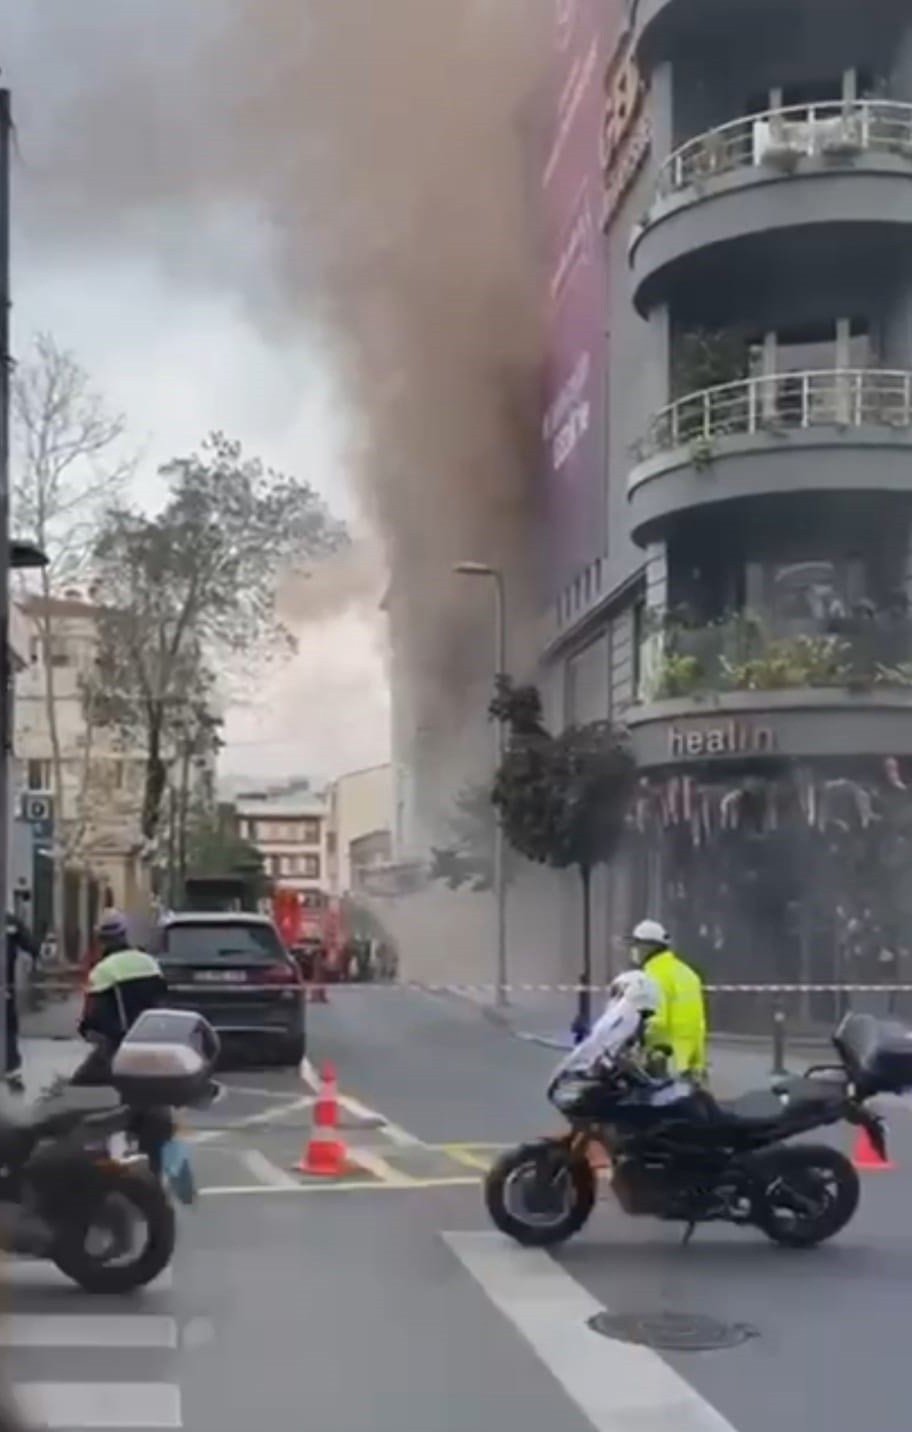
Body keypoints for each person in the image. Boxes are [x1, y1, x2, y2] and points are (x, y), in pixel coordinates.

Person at [71, 910, 168, 1086]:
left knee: (80, 1084)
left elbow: (94, 1015)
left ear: (100, 939)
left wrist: (85, 1028)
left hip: (120, 1043)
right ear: (125, 934)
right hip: (154, 1039)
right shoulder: (150, 962)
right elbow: (163, 999)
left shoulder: (103, 970)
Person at [629, 919, 707, 1079]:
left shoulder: (653, 975)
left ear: (648, 947)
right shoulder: (687, 972)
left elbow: (656, 1020)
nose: (634, 949)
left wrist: (636, 1042)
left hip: (664, 1062)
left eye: (636, 944)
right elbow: (697, 1023)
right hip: (689, 1061)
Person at [554, 970, 661, 1080]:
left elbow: (601, 1040)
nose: (614, 999)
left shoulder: (626, 1016)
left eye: (617, 993)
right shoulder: (637, 1019)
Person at [4, 913, 40, 1091]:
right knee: (8, 1026)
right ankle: (10, 1066)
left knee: (8, 1025)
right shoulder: (10, 922)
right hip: (5, 987)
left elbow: (31, 946)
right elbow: (32, 946)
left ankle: (11, 1066)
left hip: (5, 986)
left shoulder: (11, 922)